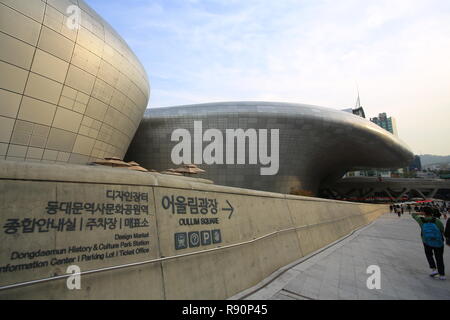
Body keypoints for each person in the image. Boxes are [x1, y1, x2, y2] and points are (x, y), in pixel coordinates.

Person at [412, 207, 446, 280]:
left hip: (426, 241)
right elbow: (442, 230)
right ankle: (442, 274)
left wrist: (420, 213)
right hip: (438, 242)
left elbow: (413, 214)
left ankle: (434, 269)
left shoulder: (421, 220)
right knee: (439, 257)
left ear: (424, 212)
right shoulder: (437, 221)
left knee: (429, 255)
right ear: (432, 212)